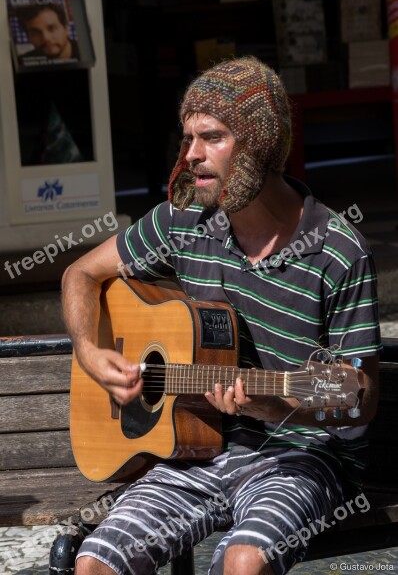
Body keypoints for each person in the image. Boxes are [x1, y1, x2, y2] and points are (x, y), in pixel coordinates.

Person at [61, 56, 381, 575]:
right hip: (195, 445)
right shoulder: (187, 221)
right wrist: (92, 353)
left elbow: (358, 400)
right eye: (187, 139)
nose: (191, 156)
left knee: (243, 562)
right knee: (95, 563)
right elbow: (80, 275)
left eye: (211, 138)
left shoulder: (338, 252)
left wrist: (269, 406)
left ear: (258, 144)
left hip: (301, 458)